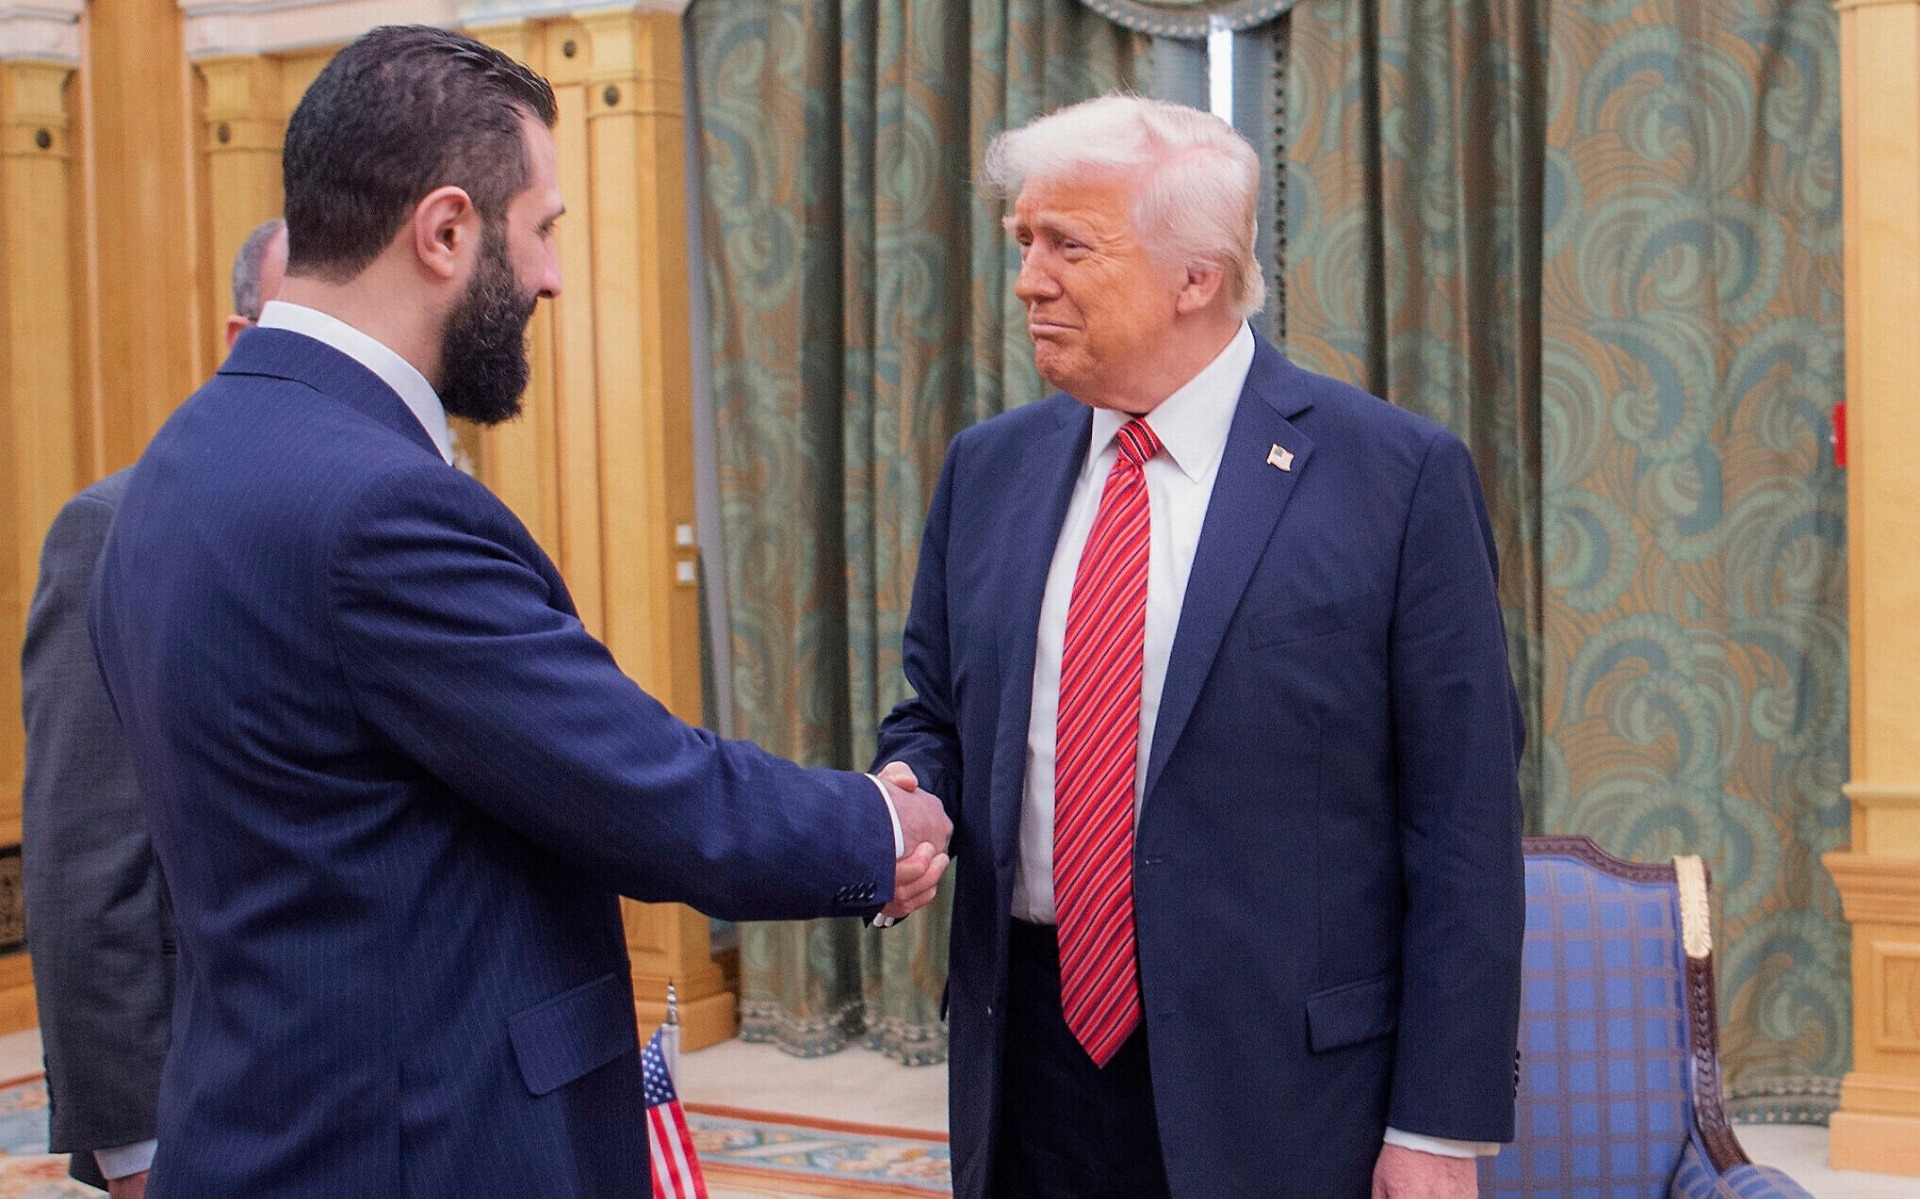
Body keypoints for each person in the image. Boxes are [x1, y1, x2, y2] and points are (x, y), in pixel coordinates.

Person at [87, 26, 950, 1199]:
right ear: (446, 231)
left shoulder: (181, 457)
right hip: (419, 1145)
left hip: (269, 1116)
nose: (553, 277)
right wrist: (876, 826)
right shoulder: (379, 505)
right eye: (542, 228)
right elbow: (640, 783)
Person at [874, 95, 1524, 1199]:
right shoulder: (988, 467)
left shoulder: (1396, 478)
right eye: (1023, 240)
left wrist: (1438, 1126)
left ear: (1196, 275)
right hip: (1026, 1057)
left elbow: (1463, 821)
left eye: (1068, 244)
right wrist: (907, 787)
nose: (1028, 279)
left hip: (1284, 1087)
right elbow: (935, 712)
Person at [22, 216, 287, 1199]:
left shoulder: (404, 518)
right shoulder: (114, 530)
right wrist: (136, 1156)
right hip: (207, 1111)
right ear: (240, 338)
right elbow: (86, 873)